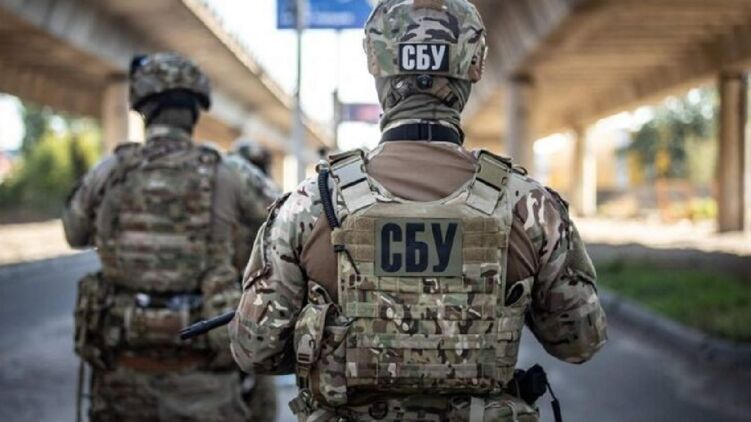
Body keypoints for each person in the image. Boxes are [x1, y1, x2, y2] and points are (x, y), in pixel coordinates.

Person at [229, 1, 607, 421]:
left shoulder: (312, 203)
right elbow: (581, 340)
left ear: (376, 66)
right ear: (474, 66)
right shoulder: (529, 206)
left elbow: (254, 348)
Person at [64, 52, 278, 422]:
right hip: (205, 385)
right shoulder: (230, 172)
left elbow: (74, 233)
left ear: (142, 108)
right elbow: (289, 224)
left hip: (121, 380)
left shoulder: (110, 171)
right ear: (196, 110)